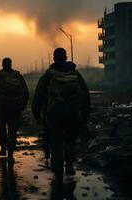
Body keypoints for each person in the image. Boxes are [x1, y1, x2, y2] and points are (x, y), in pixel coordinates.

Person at [32, 48, 90, 180]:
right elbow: (85, 96)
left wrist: (38, 116)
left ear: (54, 58)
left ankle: (58, 169)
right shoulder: (75, 74)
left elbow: (39, 96)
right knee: (70, 140)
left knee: (56, 141)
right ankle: (69, 166)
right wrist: (85, 115)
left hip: (54, 115)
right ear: (66, 57)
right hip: (73, 114)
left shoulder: (48, 75)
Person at [0, 58, 29, 162]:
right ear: (11, 64)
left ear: (2, 65)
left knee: (1, 128)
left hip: (2, 107)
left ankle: (3, 148)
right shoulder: (17, 75)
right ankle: (10, 154)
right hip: (15, 108)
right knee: (12, 131)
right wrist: (22, 105)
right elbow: (26, 92)